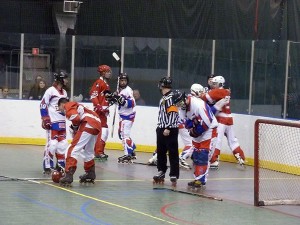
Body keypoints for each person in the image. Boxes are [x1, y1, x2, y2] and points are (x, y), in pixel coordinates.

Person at [172, 89, 218, 189]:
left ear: (184, 98)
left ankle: (201, 180)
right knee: (196, 155)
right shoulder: (182, 108)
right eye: (177, 104)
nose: (179, 105)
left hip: (209, 130)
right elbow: (185, 121)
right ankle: (197, 178)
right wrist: (192, 129)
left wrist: (195, 131)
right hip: (198, 130)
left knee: (203, 155)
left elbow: (207, 122)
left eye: (180, 102)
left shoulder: (197, 105)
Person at [200, 75, 246, 169]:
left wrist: (200, 95)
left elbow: (205, 98)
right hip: (229, 118)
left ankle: (214, 160)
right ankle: (240, 156)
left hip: (221, 119)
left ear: (220, 84)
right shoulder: (226, 91)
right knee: (233, 140)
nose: (213, 85)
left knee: (217, 139)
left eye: (215, 83)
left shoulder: (218, 91)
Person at [57, 98, 102, 186]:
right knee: (88, 151)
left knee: (72, 149)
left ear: (62, 104)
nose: (62, 111)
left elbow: (75, 118)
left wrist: (75, 126)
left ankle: (68, 175)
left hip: (87, 122)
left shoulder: (68, 105)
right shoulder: (81, 106)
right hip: (97, 124)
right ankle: (90, 173)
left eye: (60, 108)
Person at [40, 71, 69, 175]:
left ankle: (60, 165)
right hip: (52, 123)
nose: (67, 80)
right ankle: (47, 166)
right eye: (65, 78)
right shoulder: (50, 91)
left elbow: (65, 108)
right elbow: (43, 104)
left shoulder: (65, 93)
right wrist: (45, 118)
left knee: (63, 145)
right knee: (52, 144)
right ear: (60, 79)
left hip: (62, 123)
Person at [153, 76, 179, 186]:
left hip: (170, 129)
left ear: (163, 85)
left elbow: (173, 113)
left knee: (172, 152)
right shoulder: (164, 98)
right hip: (161, 128)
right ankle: (161, 171)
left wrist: (168, 127)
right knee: (161, 152)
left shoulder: (171, 98)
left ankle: (173, 174)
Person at [105, 73, 137, 163]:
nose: (123, 82)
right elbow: (118, 100)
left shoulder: (128, 90)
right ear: (119, 81)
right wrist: (112, 98)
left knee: (124, 136)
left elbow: (131, 103)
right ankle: (132, 149)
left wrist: (120, 100)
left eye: (125, 81)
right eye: (122, 80)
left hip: (127, 116)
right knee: (121, 134)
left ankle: (128, 154)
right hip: (123, 116)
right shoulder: (120, 90)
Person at [89, 65, 112, 161]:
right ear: (103, 73)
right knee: (102, 131)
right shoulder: (99, 82)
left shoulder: (106, 84)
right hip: (99, 111)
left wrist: (111, 99)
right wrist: (98, 106)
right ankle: (98, 152)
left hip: (104, 111)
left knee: (104, 131)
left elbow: (106, 97)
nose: (109, 73)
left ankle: (100, 151)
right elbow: (93, 95)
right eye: (108, 71)